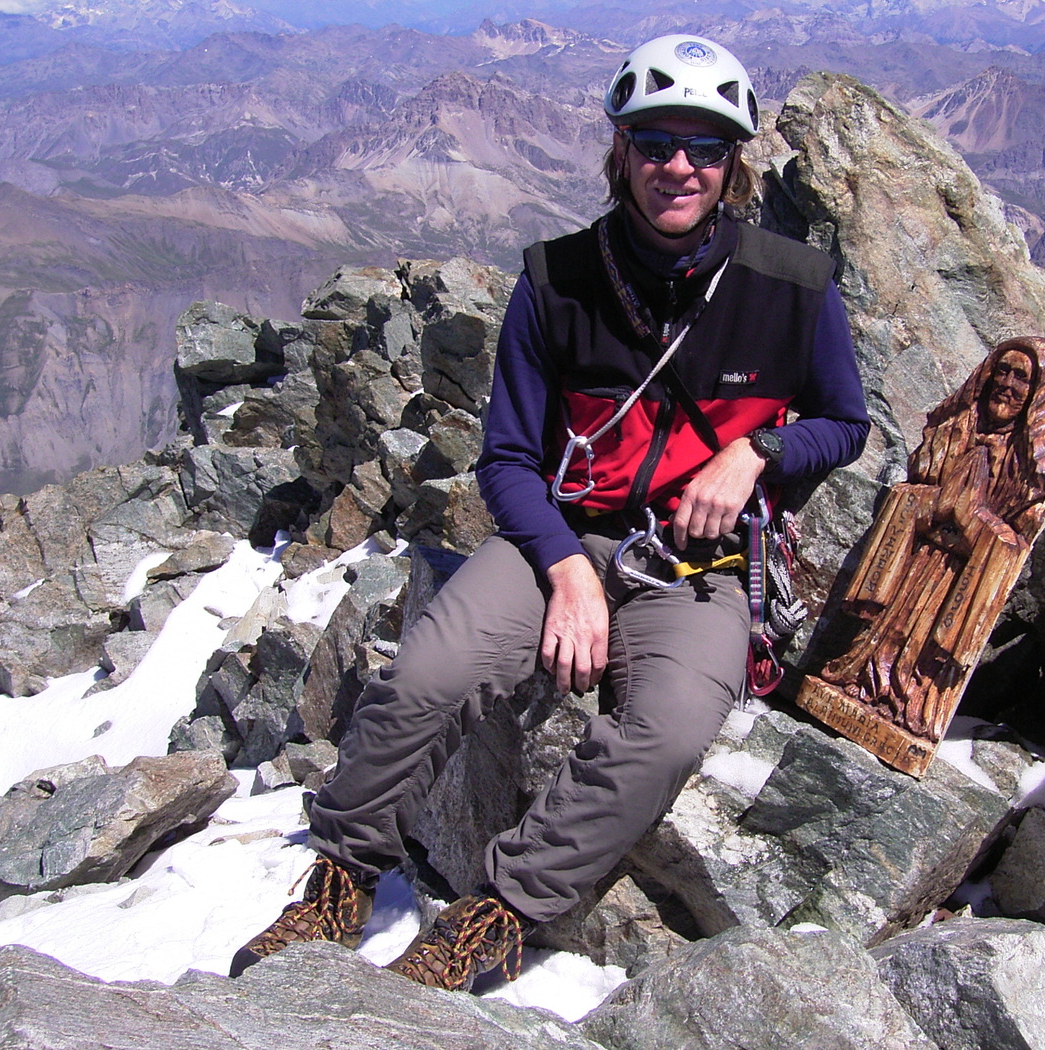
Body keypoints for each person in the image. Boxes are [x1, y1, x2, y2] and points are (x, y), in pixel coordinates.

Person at [229, 33, 870, 992]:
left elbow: (845, 424)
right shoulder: (557, 280)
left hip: (700, 560)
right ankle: (341, 877)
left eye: (704, 146)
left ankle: (498, 913)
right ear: (621, 150)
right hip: (563, 535)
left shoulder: (793, 287)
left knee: (667, 729)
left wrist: (757, 453)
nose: (678, 166)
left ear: (734, 162)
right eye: (655, 142)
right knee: (427, 674)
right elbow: (508, 460)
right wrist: (568, 572)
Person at [816, 336, 1045, 744]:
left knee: (923, 649)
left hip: (958, 578)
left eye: (1021, 378)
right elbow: (916, 486)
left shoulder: (1034, 473)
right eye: (1002, 371)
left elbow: (1014, 540)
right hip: (915, 557)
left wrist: (974, 524)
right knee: (885, 630)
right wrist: (931, 505)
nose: (1006, 385)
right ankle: (861, 679)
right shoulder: (954, 430)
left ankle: (910, 703)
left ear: (1041, 395)